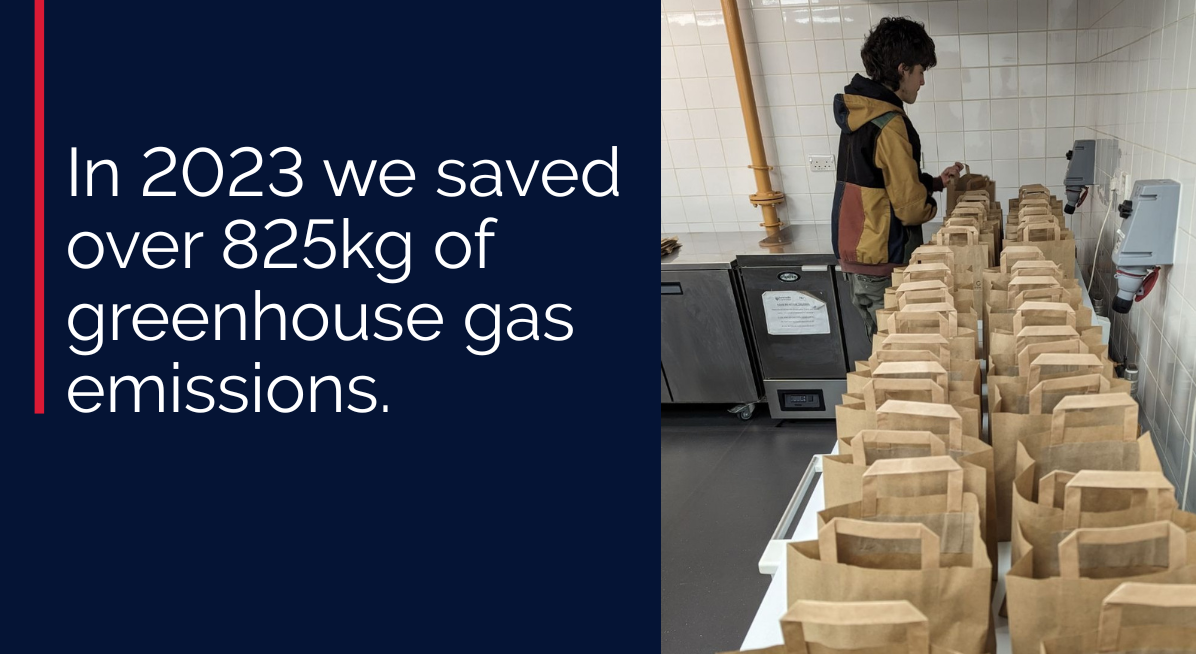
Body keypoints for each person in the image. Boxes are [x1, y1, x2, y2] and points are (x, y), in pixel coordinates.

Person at [829, 16, 964, 336]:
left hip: (859, 259)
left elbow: (880, 182)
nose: (922, 82)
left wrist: (934, 183)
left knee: (884, 350)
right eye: (920, 72)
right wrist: (935, 207)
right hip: (884, 264)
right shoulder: (890, 122)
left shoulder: (860, 112)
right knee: (901, 355)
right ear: (903, 69)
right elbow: (911, 209)